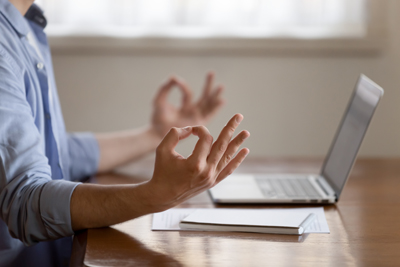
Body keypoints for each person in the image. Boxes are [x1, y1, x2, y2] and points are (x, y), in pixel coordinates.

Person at [0, 0, 250, 266]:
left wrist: (155, 134)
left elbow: (53, 153)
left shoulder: (26, 23)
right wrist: (154, 195)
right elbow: (24, 203)